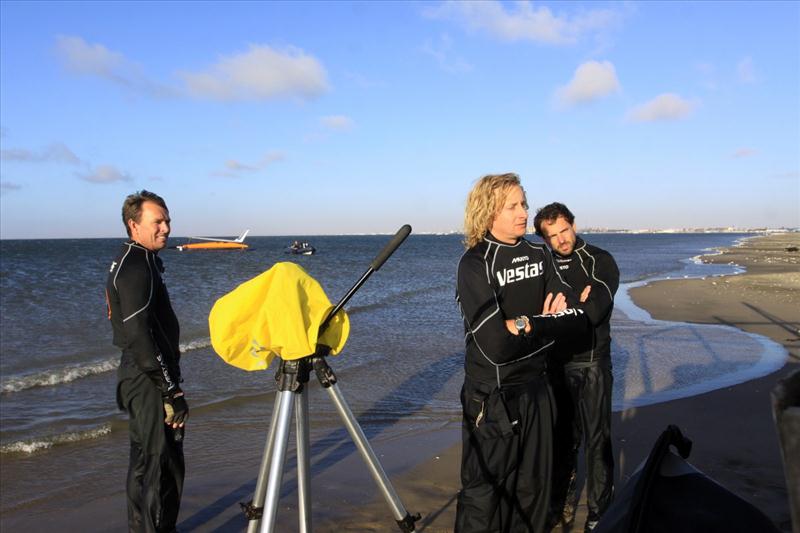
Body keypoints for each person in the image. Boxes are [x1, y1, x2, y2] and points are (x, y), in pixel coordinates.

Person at [455, 174, 590, 533]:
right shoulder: (475, 263)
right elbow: (495, 347)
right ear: (488, 211)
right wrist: (545, 323)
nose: (524, 213)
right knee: (484, 496)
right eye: (513, 205)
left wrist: (527, 325)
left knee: (533, 490)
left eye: (524, 204)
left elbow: (577, 316)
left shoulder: (537, 252)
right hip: (493, 397)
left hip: (538, 388)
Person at [533, 202, 619, 532]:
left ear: (573, 224)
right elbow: (534, 310)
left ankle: (599, 514)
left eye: (564, 230)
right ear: (544, 238)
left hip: (592, 363)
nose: (561, 240)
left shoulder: (600, 260)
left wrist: (559, 309)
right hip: (555, 365)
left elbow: (594, 311)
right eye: (552, 236)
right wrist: (573, 305)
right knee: (561, 440)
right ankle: (562, 505)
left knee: (598, 442)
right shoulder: (543, 265)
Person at [106, 190, 188, 533]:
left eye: (167, 220)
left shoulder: (139, 259)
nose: (166, 227)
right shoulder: (137, 267)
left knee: (147, 463)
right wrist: (169, 390)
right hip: (147, 380)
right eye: (158, 221)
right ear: (133, 224)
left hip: (143, 376)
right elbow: (140, 337)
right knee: (159, 467)